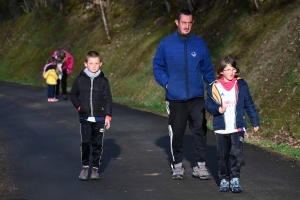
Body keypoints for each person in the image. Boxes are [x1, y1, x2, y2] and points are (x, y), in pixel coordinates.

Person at [153, 8, 215, 180]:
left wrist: (214, 92)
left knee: (200, 130)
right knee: (177, 131)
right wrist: (167, 83)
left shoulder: (199, 44)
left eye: (189, 23)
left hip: (196, 96)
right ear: (177, 23)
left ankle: (200, 165)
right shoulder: (166, 44)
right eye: (183, 23)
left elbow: (208, 71)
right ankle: (177, 164)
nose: (187, 26)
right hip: (175, 98)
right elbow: (157, 67)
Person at [205, 56, 260, 193]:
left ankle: (235, 179)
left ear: (236, 70)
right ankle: (224, 179)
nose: (230, 72)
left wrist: (255, 121)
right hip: (221, 127)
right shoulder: (214, 87)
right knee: (222, 156)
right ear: (221, 71)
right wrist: (218, 110)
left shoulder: (241, 85)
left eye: (233, 69)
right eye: (227, 69)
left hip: (238, 126)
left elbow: (249, 103)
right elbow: (208, 105)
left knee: (236, 153)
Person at [69, 51, 112, 180]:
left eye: (96, 63)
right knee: (86, 142)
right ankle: (85, 167)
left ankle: (95, 169)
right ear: (85, 64)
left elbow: (108, 99)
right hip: (85, 117)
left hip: (100, 117)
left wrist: (108, 116)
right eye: (91, 63)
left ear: (100, 64)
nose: (93, 66)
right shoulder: (80, 79)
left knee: (97, 143)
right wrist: (79, 106)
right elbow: (73, 94)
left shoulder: (103, 81)